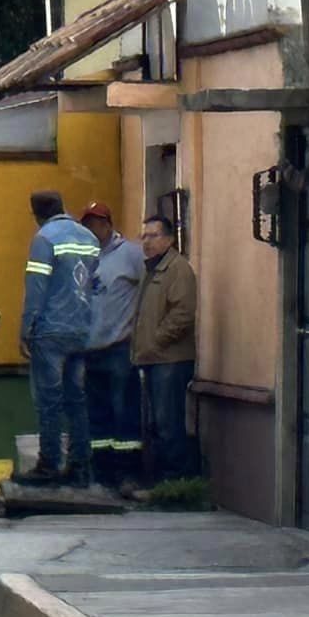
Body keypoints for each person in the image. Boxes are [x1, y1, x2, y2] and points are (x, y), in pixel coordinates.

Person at [18, 191, 97, 487]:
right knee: (77, 400)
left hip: (51, 331)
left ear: (36, 215)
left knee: (49, 401)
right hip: (81, 329)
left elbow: (36, 288)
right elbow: (93, 284)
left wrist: (26, 330)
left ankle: (49, 465)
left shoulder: (45, 238)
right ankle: (80, 468)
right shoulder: (88, 237)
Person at [81, 202, 148, 495]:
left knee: (125, 413)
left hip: (120, 347)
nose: (93, 229)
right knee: (98, 416)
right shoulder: (84, 258)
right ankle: (103, 475)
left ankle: (128, 476)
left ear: (108, 224)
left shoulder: (130, 254)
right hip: (89, 349)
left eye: (97, 223)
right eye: (88, 224)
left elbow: (149, 291)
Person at [131, 213, 200, 482]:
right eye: (144, 236)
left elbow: (183, 313)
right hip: (152, 358)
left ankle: (176, 481)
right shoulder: (151, 269)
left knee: (168, 422)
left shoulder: (178, 269)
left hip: (169, 359)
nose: (146, 242)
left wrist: (157, 340)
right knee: (157, 423)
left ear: (169, 239)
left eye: (153, 236)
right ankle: (161, 480)